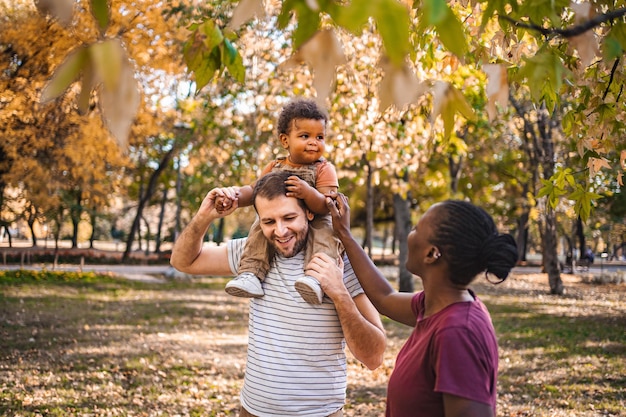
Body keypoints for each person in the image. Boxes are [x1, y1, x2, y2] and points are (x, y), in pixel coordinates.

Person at [170, 171, 386, 417]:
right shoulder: (254, 254)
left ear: (309, 212)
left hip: (319, 413)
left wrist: (339, 292)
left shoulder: (340, 260)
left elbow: (374, 357)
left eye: (289, 217)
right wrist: (203, 217)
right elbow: (183, 261)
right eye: (269, 221)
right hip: (253, 411)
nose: (280, 231)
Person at [326, 194, 518, 417]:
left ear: (432, 253)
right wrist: (344, 234)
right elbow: (384, 298)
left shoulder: (458, 333)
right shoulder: (436, 305)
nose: (410, 234)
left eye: (417, 228)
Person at [216, 98, 341, 304]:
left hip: (316, 217)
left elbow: (327, 206)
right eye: (305, 136)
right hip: (282, 218)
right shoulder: (274, 166)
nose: (314, 142)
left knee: (326, 234)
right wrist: (235, 197)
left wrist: (308, 193)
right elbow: (254, 191)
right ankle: (251, 273)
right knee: (260, 226)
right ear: (285, 141)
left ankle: (317, 279)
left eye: (320, 137)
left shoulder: (324, 169)